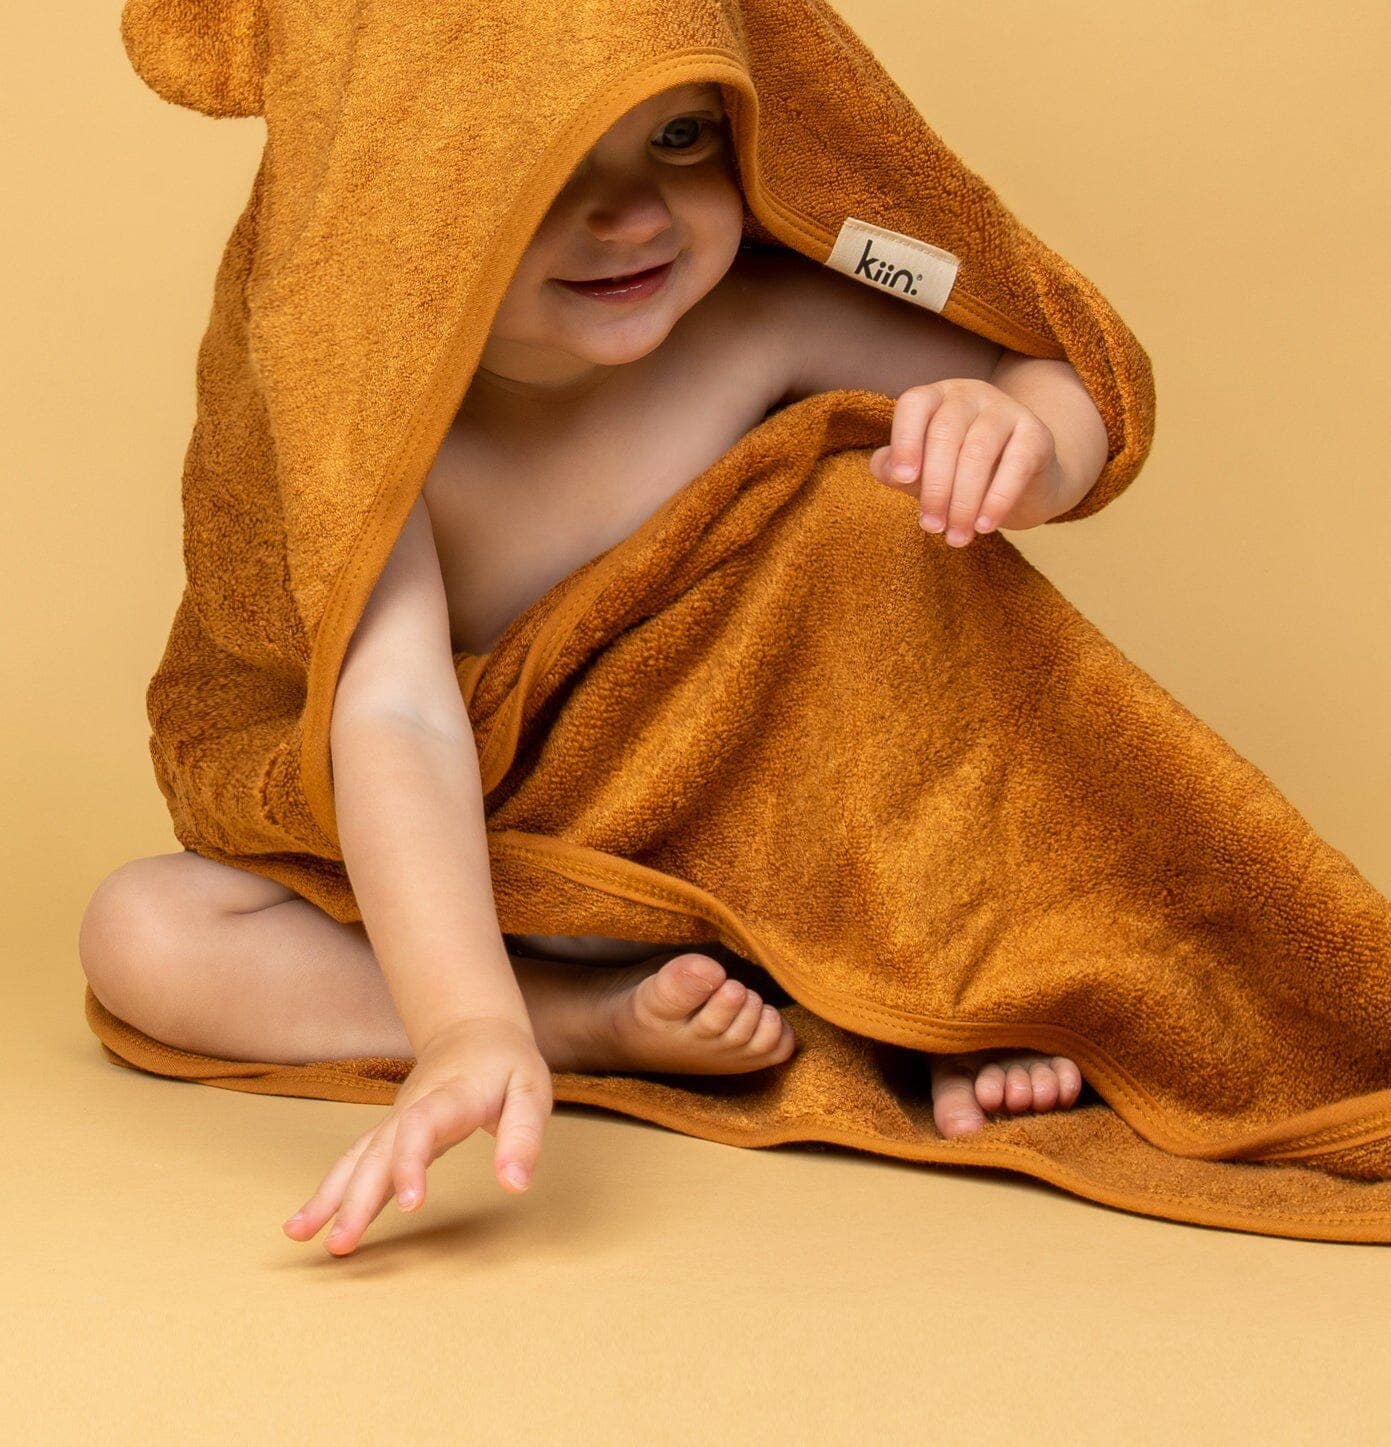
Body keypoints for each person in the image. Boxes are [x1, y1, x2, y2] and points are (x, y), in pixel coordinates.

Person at [79, 76, 1109, 1255]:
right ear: (393, 192)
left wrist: (1025, 446)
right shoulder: (373, 425)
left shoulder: (760, 320)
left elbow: (1044, 363)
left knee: (872, 546)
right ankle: (570, 1022)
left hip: (758, 857)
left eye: (678, 138)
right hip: (488, 888)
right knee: (141, 931)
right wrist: (464, 1020)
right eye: (549, 161)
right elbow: (397, 713)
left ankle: (931, 988)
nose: (633, 213)